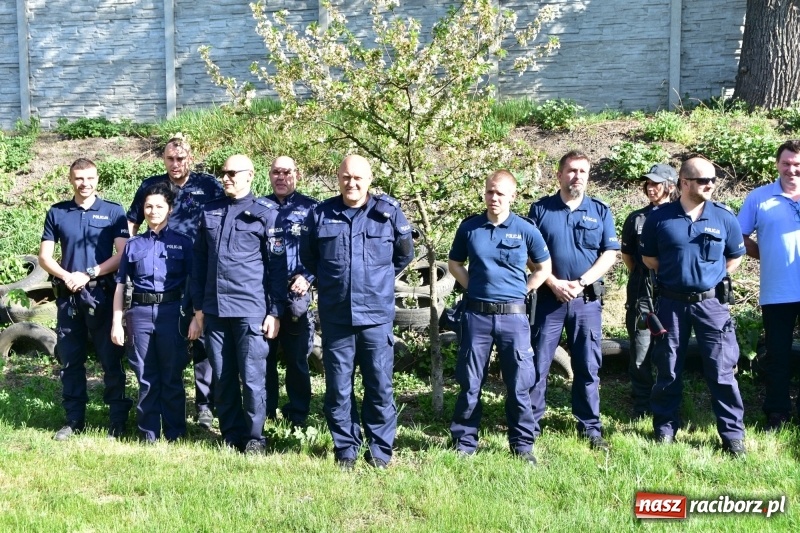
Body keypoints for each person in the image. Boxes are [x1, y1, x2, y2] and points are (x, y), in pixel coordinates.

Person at [300, 154, 414, 470]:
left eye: (358, 177)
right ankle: (346, 449)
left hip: (375, 318)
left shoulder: (387, 213)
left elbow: (404, 256)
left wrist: (375, 282)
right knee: (338, 389)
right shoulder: (321, 214)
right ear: (338, 178)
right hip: (337, 317)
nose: (352, 183)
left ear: (369, 180)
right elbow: (309, 258)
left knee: (379, 386)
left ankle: (379, 450)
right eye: (346, 177)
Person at [641, 157, 747, 456]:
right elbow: (650, 260)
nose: (710, 184)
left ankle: (732, 436)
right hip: (671, 304)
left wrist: (708, 277)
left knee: (722, 371)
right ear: (684, 182)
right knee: (668, 368)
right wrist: (681, 276)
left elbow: (735, 256)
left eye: (713, 179)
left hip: (711, 305)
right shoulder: (659, 219)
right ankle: (665, 430)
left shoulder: (724, 217)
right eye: (703, 180)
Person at [448, 170, 551, 463]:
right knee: (470, 383)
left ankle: (522, 446)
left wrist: (524, 290)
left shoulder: (526, 229)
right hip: (477, 316)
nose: (494, 198)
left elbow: (543, 268)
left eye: (501, 193)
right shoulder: (470, 228)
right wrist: (474, 288)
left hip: (513, 318)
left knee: (519, 385)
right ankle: (464, 443)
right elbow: (455, 264)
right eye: (490, 192)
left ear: (512, 197)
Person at [189, 154, 286, 454]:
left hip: (250, 309)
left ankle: (255, 437)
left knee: (254, 376)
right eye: (223, 173)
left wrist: (275, 311)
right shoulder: (210, 211)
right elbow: (200, 263)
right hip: (215, 309)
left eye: (232, 173)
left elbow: (277, 267)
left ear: (250, 175)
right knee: (223, 374)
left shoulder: (266, 213)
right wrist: (198, 309)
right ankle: (231, 434)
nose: (226, 178)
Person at [127, 136, 224, 430]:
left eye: (181, 159)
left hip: (202, 267)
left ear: (190, 158)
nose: (175, 164)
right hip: (164, 270)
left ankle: (205, 406)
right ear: (163, 159)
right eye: (170, 158)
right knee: (172, 341)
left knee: (204, 338)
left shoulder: (208, 186)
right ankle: (161, 412)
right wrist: (132, 249)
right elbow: (132, 220)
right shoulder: (152, 186)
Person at [528, 150, 619, 451]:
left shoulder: (600, 211)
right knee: (539, 364)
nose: (576, 176)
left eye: (582, 171)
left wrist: (581, 283)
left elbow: (609, 254)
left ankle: (590, 427)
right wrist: (552, 282)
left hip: (586, 301)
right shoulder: (540, 210)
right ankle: (530, 426)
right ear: (559, 174)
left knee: (587, 365)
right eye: (571, 170)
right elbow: (529, 254)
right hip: (548, 299)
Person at [39, 158, 132, 440]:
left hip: (102, 296)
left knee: (111, 361)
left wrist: (88, 274)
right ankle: (74, 420)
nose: (85, 183)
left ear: (97, 179)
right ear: (71, 180)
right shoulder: (57, 212)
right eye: (79, 178)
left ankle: (117, 420)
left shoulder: (114, 211)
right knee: (70, 361)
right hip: (69, 298)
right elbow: (44, 257)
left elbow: (122, 254)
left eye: (90, 177)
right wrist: (68, 276)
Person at [111, 182, 193, 442]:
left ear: (169, 209)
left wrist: (196, 317)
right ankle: (148, 433)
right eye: (148, 206)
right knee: (145, 375)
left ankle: (175, 433)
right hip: (140, 314)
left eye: (159, 206)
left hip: (172, 313)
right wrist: (116, 321)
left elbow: (194, 284)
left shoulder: (183, 243)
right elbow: (121, 285)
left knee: (171, 375)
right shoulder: (133, 245)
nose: (153, 211)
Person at [738, 139, 800, 431]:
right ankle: (777, 413)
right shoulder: (759, 197)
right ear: (777, 164)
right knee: (778, 354)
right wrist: (768, 253)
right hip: (778, 291)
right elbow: (739, 236)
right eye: (786, 163)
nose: (792, 169)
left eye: (797, 165)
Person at [262, 156, 318, 428]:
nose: (281, 177)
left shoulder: (312, 208)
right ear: (269, 175)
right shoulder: (258, 207)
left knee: (297, 359)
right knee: (263, 357)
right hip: (263, 295)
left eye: (286, 172)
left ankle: (298, 414)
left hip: (296, 293)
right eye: (276, 172)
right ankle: (266, 410)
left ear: (297, 174)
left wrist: (308, 278)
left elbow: (323, 252)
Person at [620, 164, 678, 419]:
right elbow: (628, 257)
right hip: (642, 294)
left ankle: (668, 400)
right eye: (648, 183)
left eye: (656, 183)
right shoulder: (636, 218)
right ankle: (642, 404)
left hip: (673, 292)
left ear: (671, 185)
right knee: (640, 348)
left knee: (671, 349)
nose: (650, 188)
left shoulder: (680, 216)